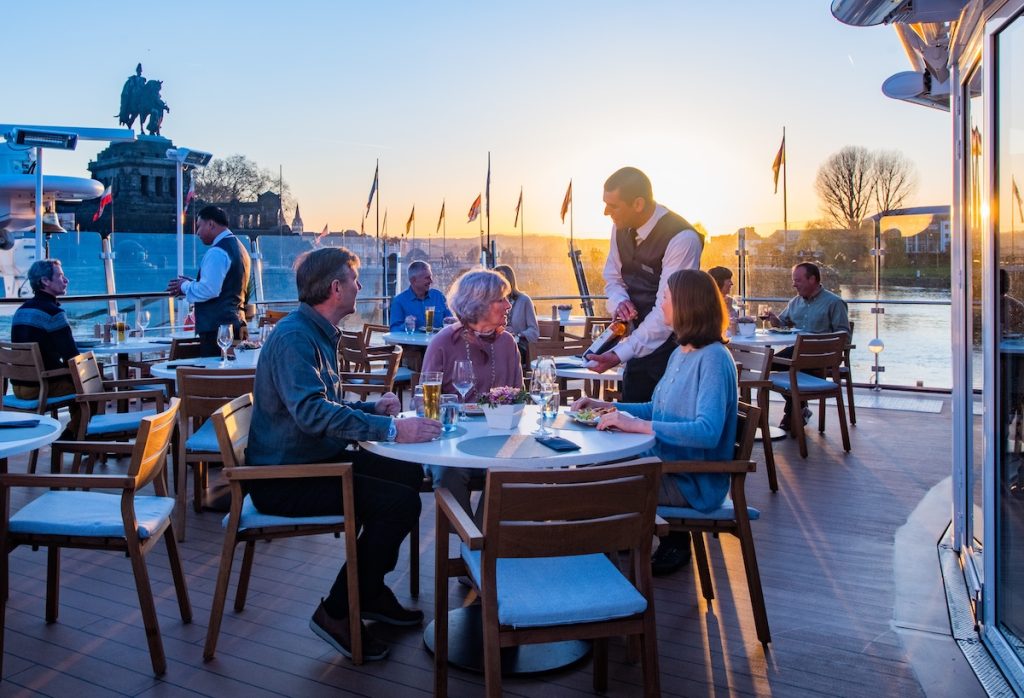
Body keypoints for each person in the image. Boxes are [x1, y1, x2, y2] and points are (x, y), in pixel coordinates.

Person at [245, 247, 442, 662]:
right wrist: (391, 429)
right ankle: (338, 611)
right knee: (399, 502)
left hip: (311, 460)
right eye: (353, 280)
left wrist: (371, 409)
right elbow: (313, 413)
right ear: (336, 288)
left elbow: (322, 405)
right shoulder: (297, 338)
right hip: (285, 479)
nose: (359, 286)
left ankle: (368, 591)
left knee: (405, 475)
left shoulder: (313, 331)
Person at [573, 269, 737, 576]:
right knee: (586, 474)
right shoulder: (683, 352)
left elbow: (707, 432)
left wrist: (635, 426)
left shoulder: (714, 359)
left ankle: (594, 577)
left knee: (590, 488)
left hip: (692, 482)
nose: (662, 306)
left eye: (667, 299)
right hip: (667, 466)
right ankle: (601, 561)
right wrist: (607, 406)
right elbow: (656, 407)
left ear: (688, 305)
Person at [590, 166, 704, 402]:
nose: (605, 212)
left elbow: (667, 309)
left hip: (675, 350)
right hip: (637, 348)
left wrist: (618, 354)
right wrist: (619, 302)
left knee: (664, 424)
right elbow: (613, 277)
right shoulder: (619, 228)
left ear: (638, 204)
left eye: (613, 206)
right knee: (631, 416)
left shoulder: (682, 238)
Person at [422, 268, 523, 518]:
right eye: (501, 299)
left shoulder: (507, 343)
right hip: (452, 441)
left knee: (514, 469)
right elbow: (424, 403)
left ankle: (480, 540)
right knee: (447, 472)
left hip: (497, 438)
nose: (508, 305)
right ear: (479, 304)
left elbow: (519, 398)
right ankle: (468, 534)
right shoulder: (443, 343)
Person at [766, 262, 851, 431]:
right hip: (797, 355)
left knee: (768, 364)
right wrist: (776, 321)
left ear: (812, 279)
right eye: (793, 280)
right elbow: (784, 323)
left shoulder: (834, 303)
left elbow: (844, 337)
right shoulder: (795, 302)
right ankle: (798, 409)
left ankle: (793, 412)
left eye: (798, 280)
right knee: (769, 365)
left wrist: (818, 343)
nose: (793, 284)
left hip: (821, 358)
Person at [166, 205, 251, 357]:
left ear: (211, 224)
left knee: (214, 377)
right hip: (236, 323)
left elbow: (209, 290)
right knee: (231, 375)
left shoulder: (217, 252)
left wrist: (184, 286)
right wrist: (193, 283)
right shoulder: (240, 248)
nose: (197, 232)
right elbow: (225, 286)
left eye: (199, 226)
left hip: (216, 330)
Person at [10, 259, 81, 437]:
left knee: (80, 380)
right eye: (60, 276)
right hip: (41, 387)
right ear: (45, 281)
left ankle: (78, 433)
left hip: (18, 387)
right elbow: (72, 356)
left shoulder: (21, 311)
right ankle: (75, 436)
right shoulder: (53, 313)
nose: (66, 280)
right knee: (93, 385)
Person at [493, 264, 539, 372]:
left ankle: (508, 384)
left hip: (519, 344)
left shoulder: (524, 300)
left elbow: (534, 332)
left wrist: (517, 333)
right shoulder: (493, 300)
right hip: (498, 342)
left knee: (503, 352)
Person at [388, 260, 451, 331]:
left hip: (438, 341)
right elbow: (394, 330)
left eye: (431, 277)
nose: (431, 281)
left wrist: (453, 321)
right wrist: (405, 326)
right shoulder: (399, 301)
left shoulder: (439, 296)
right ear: (413, 280)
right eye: (427, 278)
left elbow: (450, 321)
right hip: (411, 342)